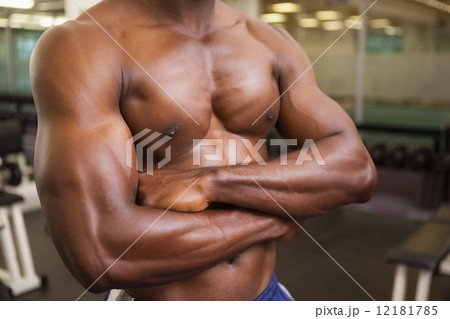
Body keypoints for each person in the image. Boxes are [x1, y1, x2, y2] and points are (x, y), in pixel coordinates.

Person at [30, 0, 376, 301]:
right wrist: (275, 217)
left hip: (266, 297)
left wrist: (211, 182)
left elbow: (356, 169)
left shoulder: (269, 40)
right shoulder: (82, 44)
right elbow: (101, 253)